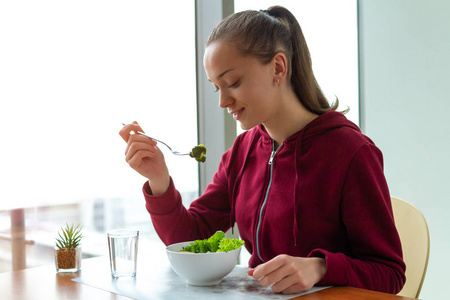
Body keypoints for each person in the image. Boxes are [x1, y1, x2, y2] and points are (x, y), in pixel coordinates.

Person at [119, 6, 405, 295]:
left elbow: (390, 274)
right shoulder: (242, 152)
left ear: (278, 67)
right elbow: (191, 238)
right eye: (217, 88)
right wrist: (159, 180)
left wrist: (319, 267)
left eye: (233, 82)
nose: (223, 102)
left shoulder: (350, 152)